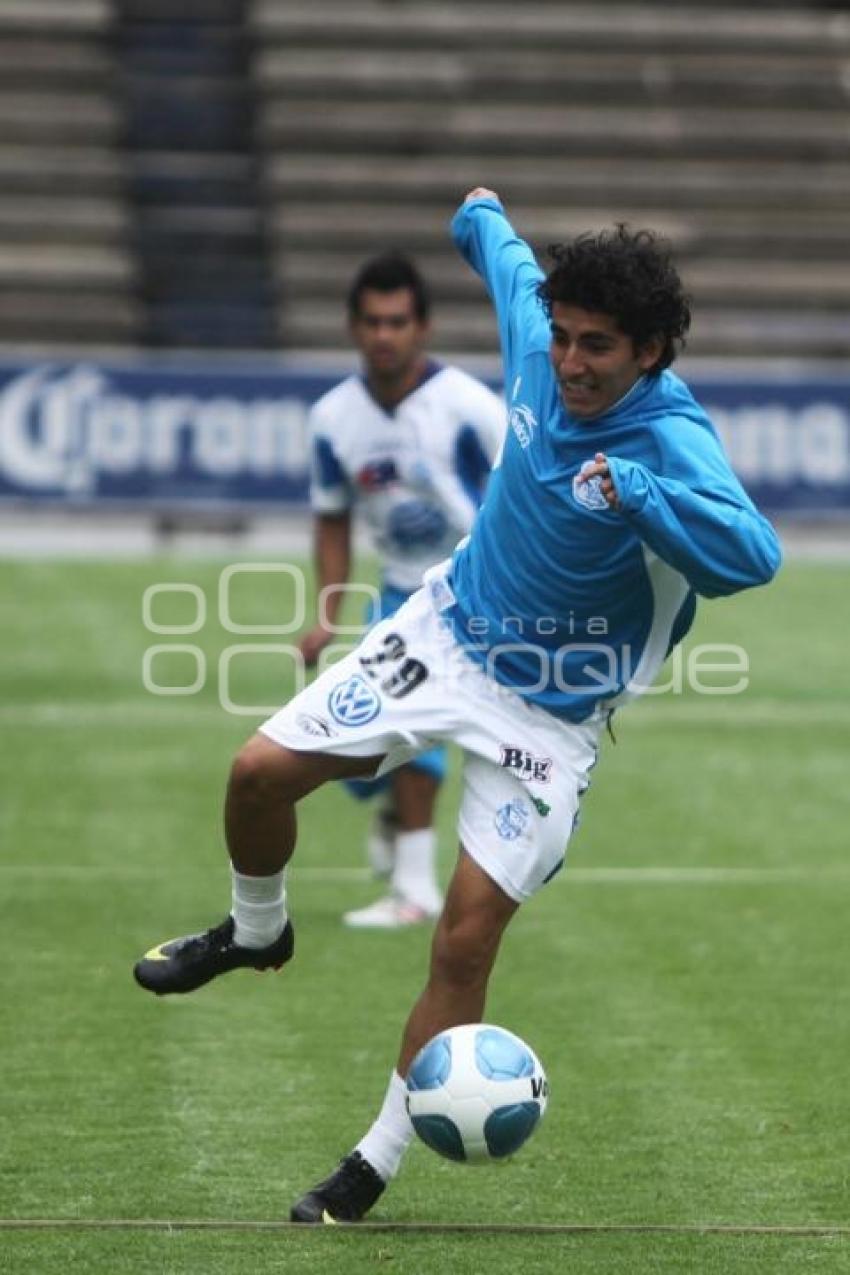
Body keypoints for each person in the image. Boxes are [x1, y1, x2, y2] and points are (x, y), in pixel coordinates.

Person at [133, 189, 782, 1224]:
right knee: (257, 774)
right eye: (563, 339)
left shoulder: (670, 438)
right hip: (442, 639)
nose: (570, 363)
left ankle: (371, 1165)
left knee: (463, 939)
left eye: (599, 348)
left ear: (653, 350)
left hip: (548, 723)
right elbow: (496, 245)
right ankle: (259, 931)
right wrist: (475, 207)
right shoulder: (538, 331)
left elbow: (753, 556)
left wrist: (645, 496)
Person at [297, 252, 505, 928]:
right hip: (394, 598)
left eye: (398, 321)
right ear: (353, 328)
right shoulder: (333, 419)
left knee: (429, 730)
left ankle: (415, 888)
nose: (384, 335)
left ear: (423, 327)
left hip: (475, 596)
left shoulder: (471, 408)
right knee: (359, 748)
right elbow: (332, 516)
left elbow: (518, 493)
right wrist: (326, 612)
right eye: (372, 322)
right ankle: (392, 816)